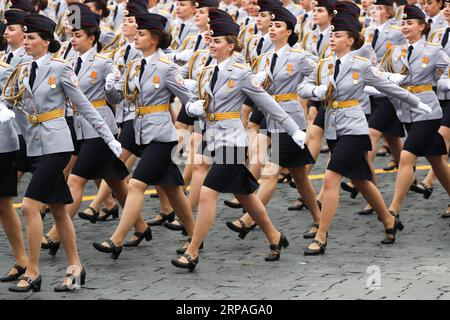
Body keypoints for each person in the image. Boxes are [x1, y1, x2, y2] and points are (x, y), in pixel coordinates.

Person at [171, 9, 306, 271]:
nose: (211, 44)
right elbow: (199, 104)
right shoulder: (207, 70)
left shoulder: (242, 72)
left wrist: (293, 129)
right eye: (211, 40)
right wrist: (193, 108)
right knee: (245, 195)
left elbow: (268, 103)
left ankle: (193, 250)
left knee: (209, 193)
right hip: (213, 137)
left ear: (231, 45)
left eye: (217, 41)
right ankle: (276, 237)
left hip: (233, 141)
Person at [2, 13, 121, 292]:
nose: (26, 42)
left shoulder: (60, 68)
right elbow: (13, 101)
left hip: (57, 145)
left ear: (46, 41)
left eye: (32, 38)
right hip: (34, 145)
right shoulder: (22, 69)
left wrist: (108, 136)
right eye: (26, 37)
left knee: (31, 206)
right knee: (58, 209)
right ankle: (75, 267)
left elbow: (85, 106)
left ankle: (32, 271)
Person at [297, 10, 427, 255]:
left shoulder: (362, 64)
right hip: (334, 128)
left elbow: (388, 87)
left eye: (338, 35)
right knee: (361, 180)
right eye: (331, 35)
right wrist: (317, 91)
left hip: (354, 128)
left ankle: (321, 235)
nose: (332, 38)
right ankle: (389, 221)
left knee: (331, 177)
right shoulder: (324, 64)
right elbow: (303, 87)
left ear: (351, 40)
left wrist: (416, 102)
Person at [93, 12, 196, 260]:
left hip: (161, 135)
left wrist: (197, 111)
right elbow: (120, 100)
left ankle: (116, 239)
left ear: (155, 38)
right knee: (172, 189)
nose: (136, 37)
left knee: (137, 184)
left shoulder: (168, 68)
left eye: (141, 34)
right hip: (139, 131)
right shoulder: (134, 65)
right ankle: (195, 235)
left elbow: (188, 101)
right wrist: (111, 88)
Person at [225, 6, 321, 241]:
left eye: (278, 26)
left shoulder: (299, 57)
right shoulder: (264, 58)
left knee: (270, 173)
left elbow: (322, 72)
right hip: (271, 118)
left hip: (291, 121)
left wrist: (308, 88)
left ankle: (248, 220)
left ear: (289, 31)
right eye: (273, 25)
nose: (273, 29)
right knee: (300, 177)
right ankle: (319, 220)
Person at [41, 3, 130, 256]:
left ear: (92, 37)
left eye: (79, 36)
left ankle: (55, 235)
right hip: (79, 127)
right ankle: (141, 225)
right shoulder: (70, 62)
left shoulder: (104, 62)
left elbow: (117, 98)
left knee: (77, 179)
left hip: (100, 129)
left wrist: (113, 86)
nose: (74, 39)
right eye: (72, 35)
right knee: (114, 180)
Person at [384, 5, 450, 217]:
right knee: (436, 160)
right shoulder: (395, 51)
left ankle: (392, 211)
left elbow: (448, 68)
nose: (405, 27)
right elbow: (379, 73)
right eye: (403, 23)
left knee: (406, 156)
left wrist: (444, 82)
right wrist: (388, 78)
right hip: (406, 111)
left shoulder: (433, 50)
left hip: (428, 112)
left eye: (410, 23)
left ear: (422, 27)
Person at [0, 60, 28, 284]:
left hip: (2, 143)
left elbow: (20, 107)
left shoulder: (5, 70)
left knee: (3, 202)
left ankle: (22, 259)